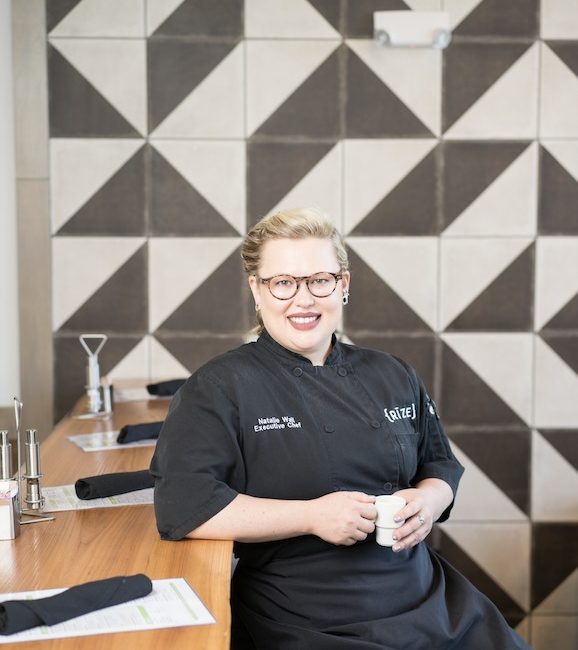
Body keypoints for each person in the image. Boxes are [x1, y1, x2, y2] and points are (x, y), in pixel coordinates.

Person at [150, 208, 530, 649]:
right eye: (283, 283)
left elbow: (440, 463)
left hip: (426, 597)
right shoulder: (217, 388)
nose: (304, 299)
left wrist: (428, 501)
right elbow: (184, 506)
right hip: (306, 616)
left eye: (320, 280)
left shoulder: (394, 374)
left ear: (343, 284)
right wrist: (312, 516)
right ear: (256, 289)